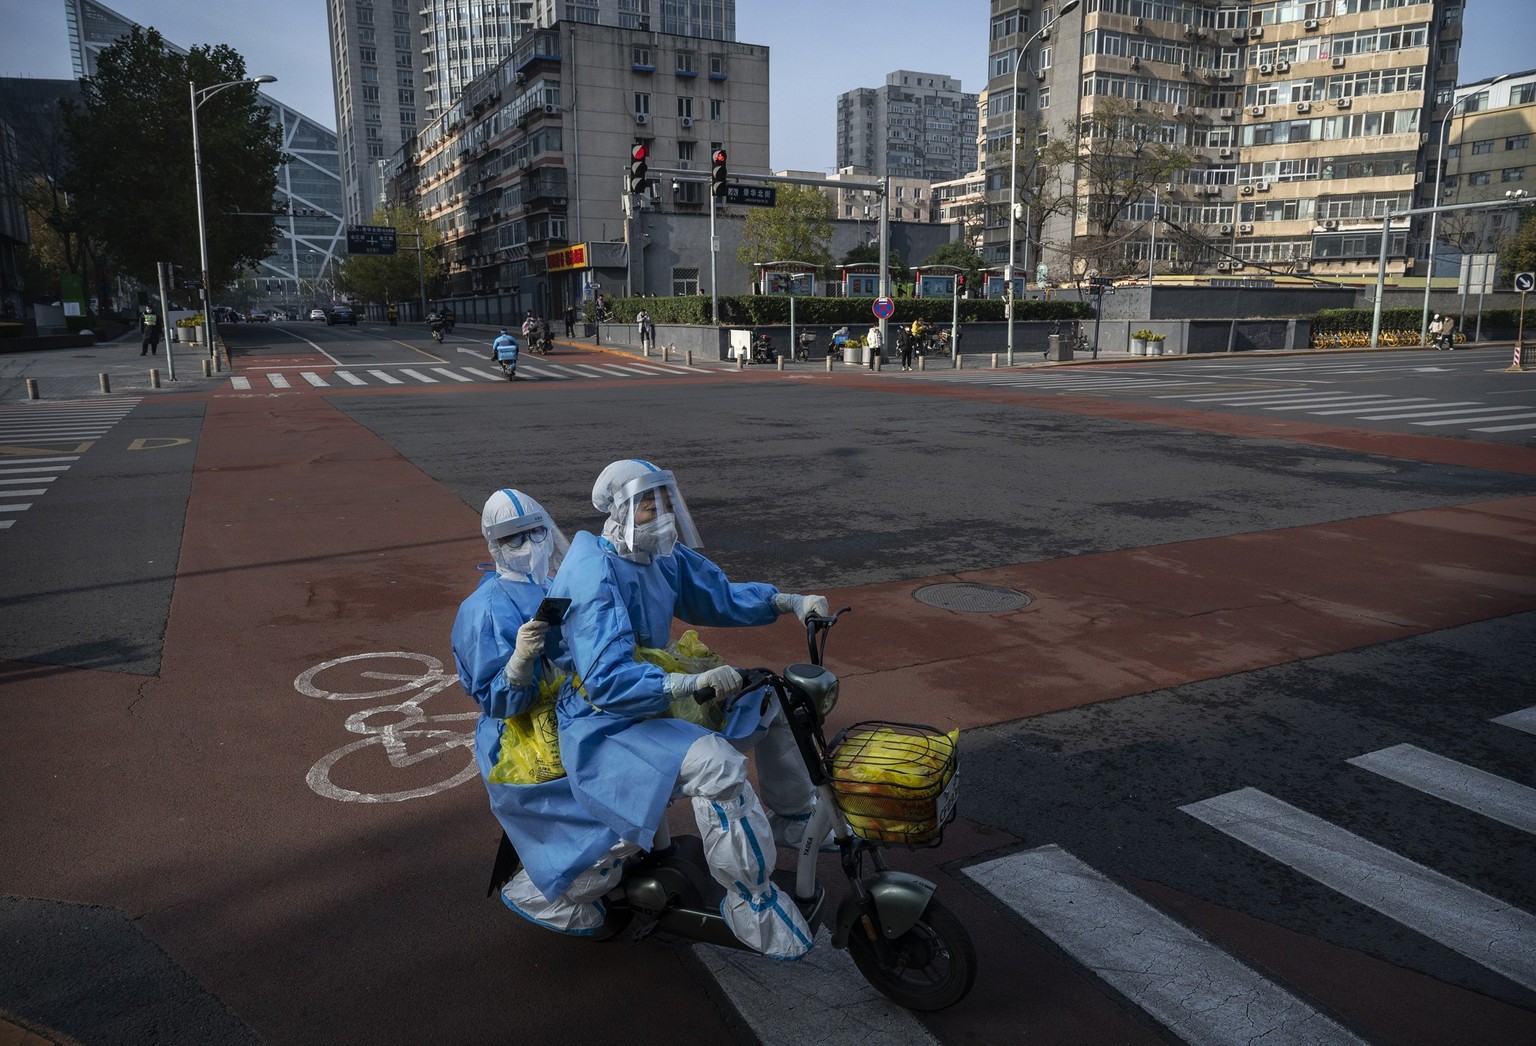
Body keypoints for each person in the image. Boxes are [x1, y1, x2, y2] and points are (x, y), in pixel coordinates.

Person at [548, 459, 832, 960]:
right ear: (620, 510)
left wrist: (786, 601)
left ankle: (792, 816)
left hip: (657, 689)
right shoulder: (594, 572)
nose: (662, 515)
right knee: (717, 765)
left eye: (665, 502)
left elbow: (714, 595)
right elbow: (607, 679)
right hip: (605, 717)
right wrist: (689, 682)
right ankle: (752, 905)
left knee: (771, 699)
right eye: (648, 505)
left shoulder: (656, 555)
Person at [452, 489, 630, 935]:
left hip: (565, 715)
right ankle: (538, 892)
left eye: (537, 532)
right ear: (494, 546)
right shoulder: (482, 612)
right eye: (516, 539)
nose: (533, 545)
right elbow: (496, 701)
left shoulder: (548, 587)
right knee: (614, 825)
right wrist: (517, 663)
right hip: (518, 741)